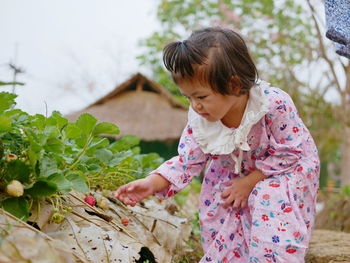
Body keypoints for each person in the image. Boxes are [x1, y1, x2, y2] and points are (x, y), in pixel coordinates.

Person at [115, 27, 320, 263]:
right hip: (234, 174)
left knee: (266, 198)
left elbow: (291, 150)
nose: (195, 106)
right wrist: (151, 183)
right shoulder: (201, 122)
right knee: (220, 202)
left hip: (285, 169)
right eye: (188, 97)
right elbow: (186, 162)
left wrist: (250, 181)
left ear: (233, 85)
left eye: (201, 97)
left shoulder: (273, 104)